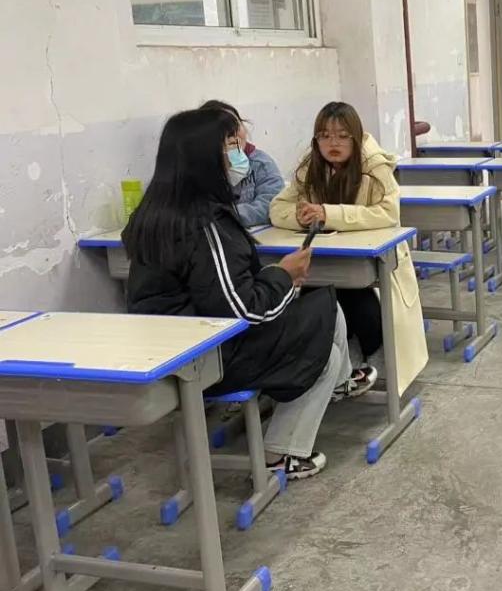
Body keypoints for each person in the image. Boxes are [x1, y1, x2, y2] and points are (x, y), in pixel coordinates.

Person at [123, 106, 348, 480]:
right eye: (230, 145)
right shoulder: (205, 224)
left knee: (324, 311)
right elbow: (242, 309)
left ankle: (332, 389)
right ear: (205, 158)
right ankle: (280, 454)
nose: (240, 154)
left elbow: (220, 291)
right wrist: (284, 275)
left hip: (176, 345)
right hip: (204, 355)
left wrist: (275, 277)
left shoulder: (154, 211)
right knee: (325, 348)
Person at [270, 101, 428, 393]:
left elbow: (389, 213)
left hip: (372, 261)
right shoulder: (310, 166)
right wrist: (300, 216)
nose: (333, 143)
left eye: (342, 136)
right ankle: (334, 365)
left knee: (360, 303)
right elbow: (278, 207)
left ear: (355, 137)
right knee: (315, 302)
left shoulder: (374, 166)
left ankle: (372, 356)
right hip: (323, 259)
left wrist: (329, 214)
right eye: (325, 136)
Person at [199, 99, 284, 227]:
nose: (234, 136)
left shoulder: (261, 164)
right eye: (224, 131)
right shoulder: (200, 168)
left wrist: (227, 215)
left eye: (236, 125)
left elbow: (271, 205)